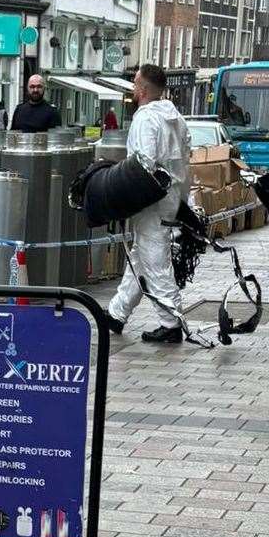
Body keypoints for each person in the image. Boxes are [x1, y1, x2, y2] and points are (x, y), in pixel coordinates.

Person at [106, 64, 192, 343]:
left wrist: (123, 199)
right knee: (139, 257)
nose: (132, 88)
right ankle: (117, 313)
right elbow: (186, 153)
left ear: (142, 90)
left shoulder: (145, 119)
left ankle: (170, 323)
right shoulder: (175, 117)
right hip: (172, 198)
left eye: (134, 83)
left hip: (152, 202)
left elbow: (143, 164)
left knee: (155, 260)